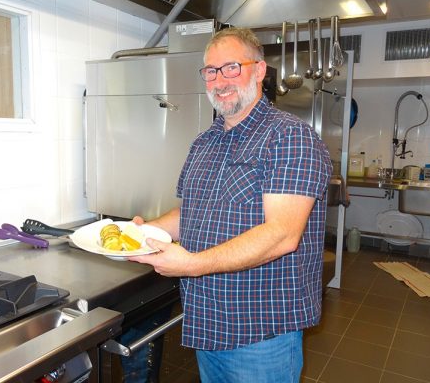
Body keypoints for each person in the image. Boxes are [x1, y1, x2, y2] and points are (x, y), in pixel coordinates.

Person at [131, 27, 332, 383]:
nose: (219, 80)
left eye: (231, 68)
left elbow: (282, 235)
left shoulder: (288, 136)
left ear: (259, 71)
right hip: (208, 321)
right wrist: (144, 230)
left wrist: (191, 264)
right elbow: (191, 213)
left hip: (259, 332)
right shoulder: (205, 142)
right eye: (211, 70)